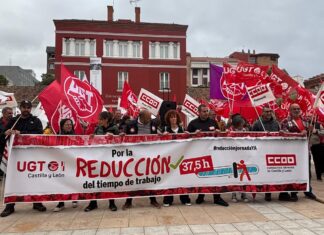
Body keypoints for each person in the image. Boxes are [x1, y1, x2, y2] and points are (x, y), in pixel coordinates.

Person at [0, 100, 46, 217]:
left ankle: (37, 203)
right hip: (16, 157)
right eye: (24, 107)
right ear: (20, 108)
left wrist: (22, 133)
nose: (26, 109)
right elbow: (3, 135)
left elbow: (39, 134)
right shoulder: (14, 121)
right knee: (13, 181)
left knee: (34, 179)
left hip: (31, 157)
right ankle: (10, 205)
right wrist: (7, 132)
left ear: (31, 109)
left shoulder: (36, 121)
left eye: (28, 107)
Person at [187, 104, 228, 207]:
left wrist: (220, 132)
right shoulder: (193, 123)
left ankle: (217, 198)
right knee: (202, 175)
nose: (206, 113)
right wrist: (193, 134)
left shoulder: (213, 122)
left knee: (216, 174)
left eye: (207, 111)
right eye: (204, 111)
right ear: (199, 112)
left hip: (213, 153)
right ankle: (201, 196)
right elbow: (186, 137)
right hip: (200, 153)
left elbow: (219, 135)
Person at [122, 109, 161, 210]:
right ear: (141, 117)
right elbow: (123, 135)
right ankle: (128, 201)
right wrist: (122, 134)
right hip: (134, 157)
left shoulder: (153, 123)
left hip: (149, 156)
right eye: (147, 118)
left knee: (151, 178)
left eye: (150, 118)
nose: (149, 120)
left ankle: (153, 200)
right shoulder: (131, 124)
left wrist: (162, 134)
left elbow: (158, 134)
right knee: (132, 179)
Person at [280, 103, 317, 201]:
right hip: (292, 152)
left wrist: (310, 130)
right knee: (294, 172)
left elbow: (309, 133)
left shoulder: (305, 120)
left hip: (305, 151)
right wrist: (299, 134)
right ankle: (294, 192)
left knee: (307, 171)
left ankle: (308, 189)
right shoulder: (285, 121)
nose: (297, 110)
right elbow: (284, 134)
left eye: (298, 108)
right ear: (290, 111)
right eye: (294, 109)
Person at [85, 111, 119, 212]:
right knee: (95, 181)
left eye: (100, 119)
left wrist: (114, 137)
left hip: (109, 159)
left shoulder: (114, 128)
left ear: (106, 119)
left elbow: (119, 142)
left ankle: (112, 203)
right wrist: (92, 137)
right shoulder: (97, 129)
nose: (98, 121)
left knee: (110, 181)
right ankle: (93, 203)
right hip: (98, 158)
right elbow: (93, 141)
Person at [162, 110, 191, 207]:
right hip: (170, 159)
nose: (173, 119)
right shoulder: (165, 129)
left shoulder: (182, 129)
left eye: (174, 117)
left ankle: (185, 199)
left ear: (177, 118)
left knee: (183, 178)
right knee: (169, 178)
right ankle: (168, 199)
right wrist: (163, 136)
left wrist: (188, 135)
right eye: (171, 117)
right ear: (168, 119)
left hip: (181, 157)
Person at [252, 105, 280, 202]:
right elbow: (252, 137)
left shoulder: (276, 123)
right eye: (266, 112)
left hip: (273, 151)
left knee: (271, 173)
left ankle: (269, 192)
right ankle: (263, 190)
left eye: (270, 111)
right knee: (263, 173)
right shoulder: (257, 124)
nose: (268, 113)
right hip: (261, 152)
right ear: (262, 113)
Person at [53, 118, 78, 212]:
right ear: (62, 126)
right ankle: (61, 203)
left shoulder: (76, 136)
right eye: (67, 124)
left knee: (73, 180)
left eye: (70, 124)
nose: (69, 126)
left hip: (73, 163)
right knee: (61, 182)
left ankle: (74, 198)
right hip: (61, 163)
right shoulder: (57, 136)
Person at [228, 114, 249, 203]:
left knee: (243, 175)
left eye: (243, 123)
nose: (242, 125)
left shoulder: (246, 130)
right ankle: (234, 194)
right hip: (233, 156)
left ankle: (243, 194)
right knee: (234, 175)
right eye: (241, 123)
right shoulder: (230, 131)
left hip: (243, 156)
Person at [0, 107, 13, 177]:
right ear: (3, 113)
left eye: (12, 113)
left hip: (11, 151)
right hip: (1, 151)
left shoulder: (15, 123)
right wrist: (4, 134)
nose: (11, 115)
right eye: (9, 113)